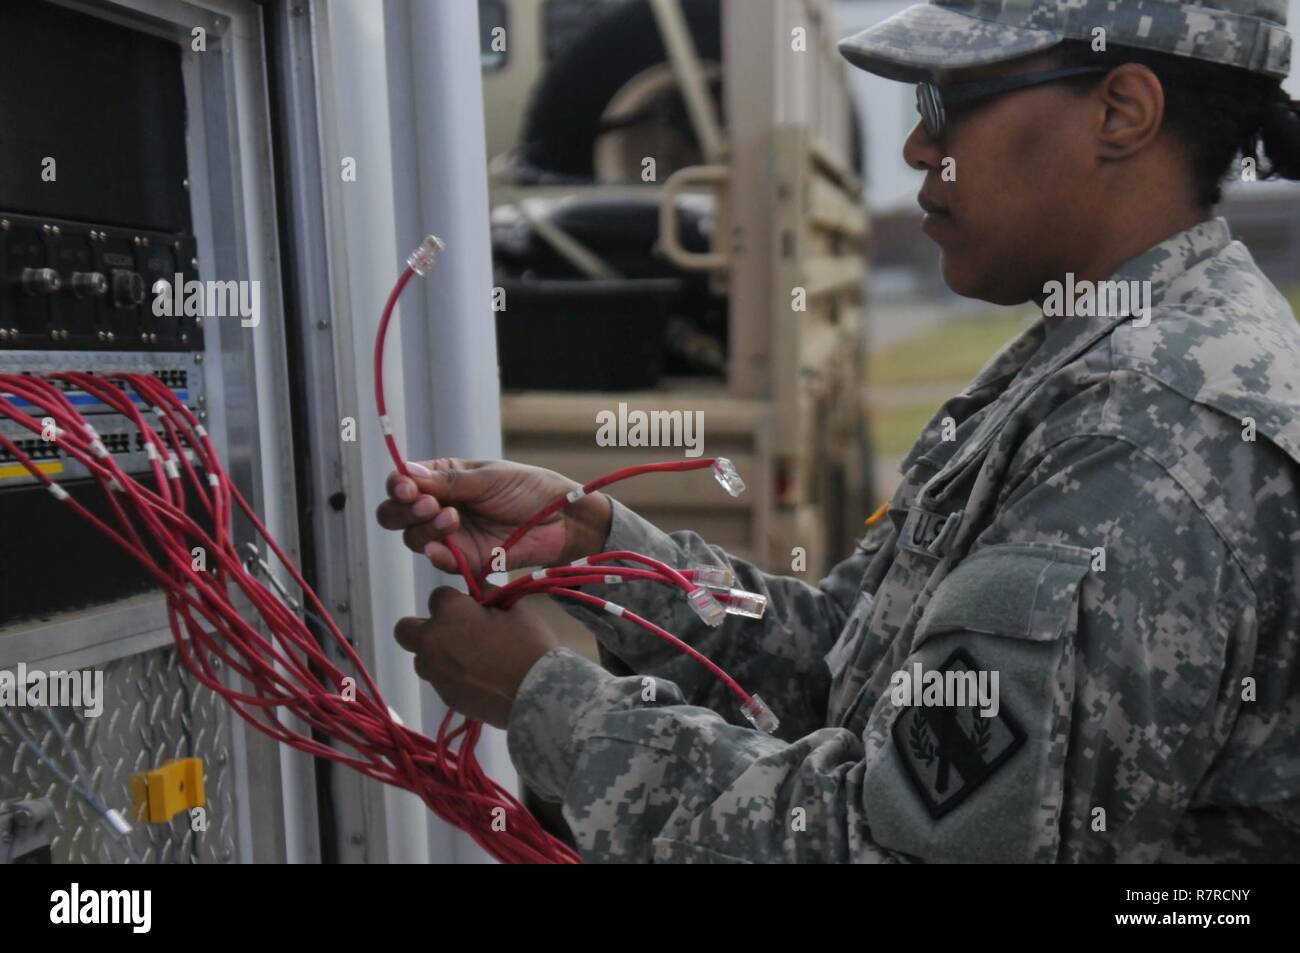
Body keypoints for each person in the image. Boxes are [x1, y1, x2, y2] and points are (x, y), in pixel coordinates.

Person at [375, 0, 1300, 862]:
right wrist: (609, 558)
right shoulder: (1085, 356)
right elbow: (849, 666)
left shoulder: (1148, 436)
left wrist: (547, 704)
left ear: (1122, 112)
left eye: (946, 102)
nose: (912, 144)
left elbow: (895, 845)